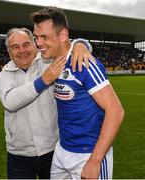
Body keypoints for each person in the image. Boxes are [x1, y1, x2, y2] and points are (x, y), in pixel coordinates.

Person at [31, 6, 125, 179]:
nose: (38, 43)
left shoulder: (84, 64)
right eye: (36, 37)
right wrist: (82, 42)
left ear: (63, 35)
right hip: (62, 150)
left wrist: (95, 161)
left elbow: (116, 111)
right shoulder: (52, 62)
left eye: (44, 37)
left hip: (88, 154)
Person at [0, 27, 93, 179]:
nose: (22, 50)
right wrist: (43, 80)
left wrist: (81, 44)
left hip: (52, 150)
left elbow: (67, 47)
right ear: (9, 52)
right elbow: (10, 102)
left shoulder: (49, 61)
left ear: (35, 44)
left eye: (26, 44)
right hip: (18, 155)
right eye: (15, 47)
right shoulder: (5, 75)